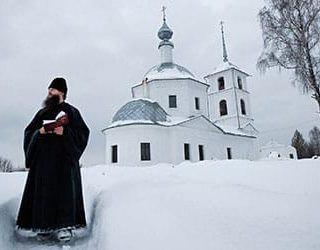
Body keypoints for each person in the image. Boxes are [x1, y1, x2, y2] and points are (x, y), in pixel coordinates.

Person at [16, 77, 90, 242]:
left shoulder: (72, 112)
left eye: (53, 90)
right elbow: (29, 132)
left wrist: (65, 133)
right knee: (44, 193)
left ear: (62, 92)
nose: (49, 92)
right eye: (49, 89)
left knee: (64, 193)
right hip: (43, 163)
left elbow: (83, 133)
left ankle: (64, 227)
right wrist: (39, 132)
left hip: (64, 163)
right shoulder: (41, 113)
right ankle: (44, 227)